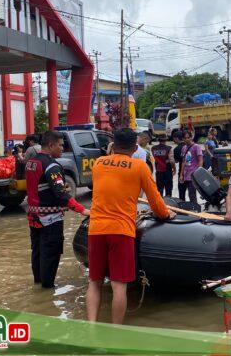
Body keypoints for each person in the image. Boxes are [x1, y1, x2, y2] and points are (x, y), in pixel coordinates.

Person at [86, 128, 173, 324]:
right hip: (121, 230)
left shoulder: (98, 164)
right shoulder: (139, 166)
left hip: (96, 229)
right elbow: (155, 200)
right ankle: (116, 331)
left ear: (112, 145)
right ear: (135, 147)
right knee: (119, 286)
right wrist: (166, 214)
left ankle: (91, 327)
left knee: (94, 282)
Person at [26, 131, 90, 289]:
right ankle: (48, 289)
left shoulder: (31, 162)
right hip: (50, 218)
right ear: (51, 145)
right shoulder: (52, 165)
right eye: (61, 145)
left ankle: (38, 284)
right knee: (51, 253)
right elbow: (61, 193)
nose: (62, 148)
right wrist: (82, 210)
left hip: (33, 217)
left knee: (38, 251)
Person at [180, 131, 203, 204]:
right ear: (183, 139)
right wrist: (181, 174)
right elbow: (183, 162)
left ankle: (195, 210)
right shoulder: (184, 148)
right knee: (186, 193)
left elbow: (200, 160)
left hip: (193, 175)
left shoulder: (196, 147)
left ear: (191, 137)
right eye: (185, 138)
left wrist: (199, 172)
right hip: (186, 174)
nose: (187, 139)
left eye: (188, 137)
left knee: (192, 194)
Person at [172, 131, 187, 200]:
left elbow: (176, 161)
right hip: (191, 172)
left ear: (177, 138)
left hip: (182, 172)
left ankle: (182, 206)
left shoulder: (176, 149)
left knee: (182, 191)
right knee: (192, 192)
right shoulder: (188, 146)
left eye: (174, 138)